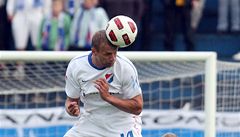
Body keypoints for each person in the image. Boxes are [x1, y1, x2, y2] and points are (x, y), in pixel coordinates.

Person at [64, 30, 143, 137]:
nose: (113, 58)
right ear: (94, 51)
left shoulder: (125, 67)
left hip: (122, 122)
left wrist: (108, 97)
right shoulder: (76, 66)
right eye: (108, 54)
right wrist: (71, 109)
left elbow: (137, 107)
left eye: (115, 52)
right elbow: (71, 100)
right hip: (92, 122)